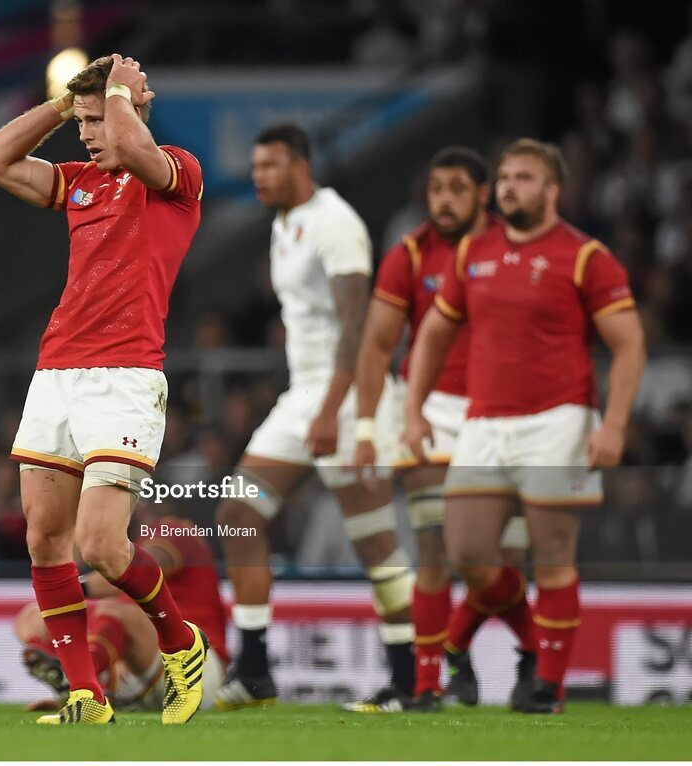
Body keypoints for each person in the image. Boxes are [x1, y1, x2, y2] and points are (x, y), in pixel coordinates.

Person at [0, 53, 207, 725]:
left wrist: (120, 99)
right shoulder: (77, 182)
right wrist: (63, 102)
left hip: (126, 376)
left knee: (102, 546)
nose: (86, 135)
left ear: (130, 110)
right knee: (46, 541)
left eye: (94, 121)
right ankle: (85, 693)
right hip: (56, 374)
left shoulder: (175, 175)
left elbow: (135, 145)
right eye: (80, 124)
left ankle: (179, 641)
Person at [404, 138, 645, 713]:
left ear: (552, 190)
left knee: (552, 558)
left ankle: (548, 687)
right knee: (468, 555)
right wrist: (413, 409)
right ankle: (524, 645)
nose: (510, 186)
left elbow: (630, 343)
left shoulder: (586, 256)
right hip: (483, 421)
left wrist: (612, 426)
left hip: (558, 419)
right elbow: (434, 333)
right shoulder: (473, 253)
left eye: (525, 178)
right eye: (506, 177)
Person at [214, 124, 413, 712]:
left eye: (270, 165)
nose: (259, 176)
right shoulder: (281, 225)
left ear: (301, 166)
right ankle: (253, 670)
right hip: (303, 396)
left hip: (346, 397)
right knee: (238, 513)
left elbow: (359, 325)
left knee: (374, 541)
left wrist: (333, 409)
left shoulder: (336, 223)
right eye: (255, 166)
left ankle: (409, 682)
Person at [353, 147, 532, 711]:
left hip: (510, 413)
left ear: (483, 194)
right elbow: (378, 344)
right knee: (433, 550)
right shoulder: (408, 256)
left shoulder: (519, 248)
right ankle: (429, 685)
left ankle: (466, 650)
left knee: (496, 564)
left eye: (457, 188)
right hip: (432, 414)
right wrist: (365, 425)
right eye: (436, 189)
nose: (445, 200)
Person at [15, 514, 228, 713]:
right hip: (134, 677)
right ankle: (82, 688)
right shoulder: (108, 557)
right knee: (33, 615)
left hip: (195, 668)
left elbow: (143, 570)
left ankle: (80, 684)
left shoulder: (172, 530)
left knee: (116, 612)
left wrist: (68, 590)